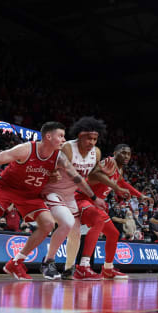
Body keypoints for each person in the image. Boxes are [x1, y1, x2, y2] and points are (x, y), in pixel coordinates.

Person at [0, 122, 106, 282]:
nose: (64, 140)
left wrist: (94, 197)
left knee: (48, 224)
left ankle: (16, 262)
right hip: (5, 188)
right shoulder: (26, 149)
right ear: (48, 136)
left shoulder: (60, 157)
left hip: (30, 194)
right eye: (61, 136)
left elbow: (77, 178)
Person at [42, 117, 119, 280]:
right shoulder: (68, 148)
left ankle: (70, 269)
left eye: (95, 139)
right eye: (88, 138)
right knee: (67, 222)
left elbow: (90, 177)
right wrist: (52, 173)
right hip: (53, 191)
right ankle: (48, 262)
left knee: (75, 232)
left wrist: (102, 172)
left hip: (70, 194)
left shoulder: (96, 153)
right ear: (80, 135)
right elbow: (49, 165)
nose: (92, 142)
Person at [75, 143, 149, 279]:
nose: (126, 156)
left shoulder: (119, 170)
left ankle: (108, 269)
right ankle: (82, 267)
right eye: (123, 152)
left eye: (129, 154)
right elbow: (94, 174)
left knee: (113, 233)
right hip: (82, 198)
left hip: (95, 204)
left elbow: (122, 183)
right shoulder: (108, 162)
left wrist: (140, 195)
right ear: (115, 153)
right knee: (98, 222)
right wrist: (116, 187)